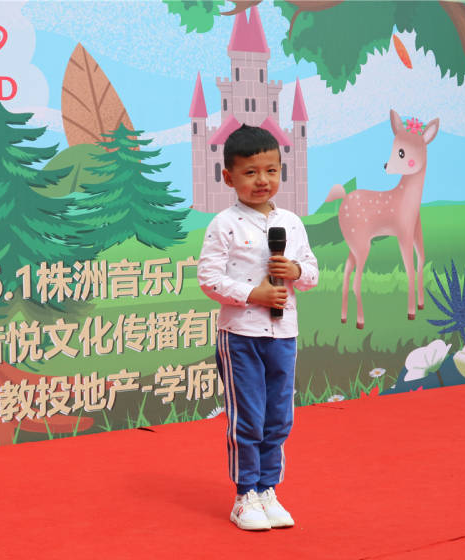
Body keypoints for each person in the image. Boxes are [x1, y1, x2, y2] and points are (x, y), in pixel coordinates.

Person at [197, 125, 319, 531]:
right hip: (241, 337)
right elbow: (209, 280)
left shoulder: (292, 223)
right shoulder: (224, 224)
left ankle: (269, 490)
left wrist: (295, 270)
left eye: (271, 170)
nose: (262, 180)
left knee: (279, 418)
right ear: (228, 177)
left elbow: (312, 274)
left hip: (284, 335)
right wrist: (254, 294)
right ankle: (244, 495)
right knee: (247, 419)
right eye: (250, 172)